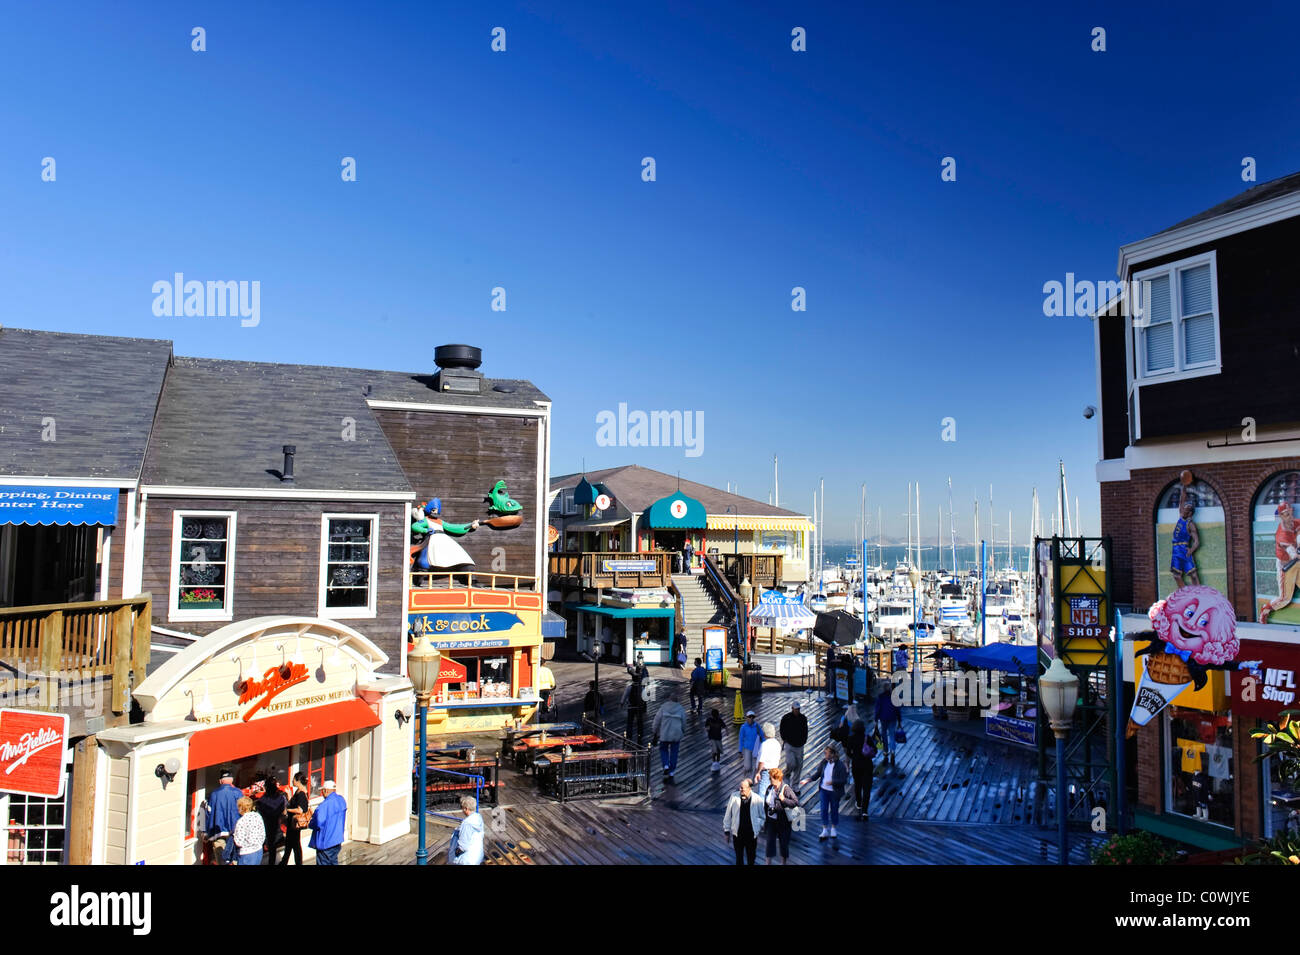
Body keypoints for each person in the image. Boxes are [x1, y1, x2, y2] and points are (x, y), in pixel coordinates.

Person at [1262, 502, 1300, 623]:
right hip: (1287, 567)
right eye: (1286, 514)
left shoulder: (1296, 523)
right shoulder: (1282, 534)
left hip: (1297, 564)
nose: (1289, 516)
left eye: (1290, 512)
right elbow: (1293, 554)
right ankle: (1265, 610)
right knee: (1285, 599)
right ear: (1281, 516)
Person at [803, 745, 848, 840]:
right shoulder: (824, 762)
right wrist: (809, 779)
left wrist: (833, 782)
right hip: (824, 790)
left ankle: (833, 828)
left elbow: (843, 780)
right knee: (823, 809)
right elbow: (818, 773)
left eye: (826, 753)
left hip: (834, 792)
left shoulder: (840, 765)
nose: (825, 755)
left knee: (834, 809)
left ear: (832, 754)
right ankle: (824, 829)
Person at [722, 777, 764, 865]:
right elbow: (728, 814)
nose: (740, 789)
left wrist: (757, 826)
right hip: (738, 833)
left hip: (751, 834)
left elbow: (762, 816)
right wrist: (726, 831)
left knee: (751, 858)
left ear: (749, 788)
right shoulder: (734, 797)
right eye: (740, 787)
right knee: (738, 858)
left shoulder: (757, 799)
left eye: (742, 788)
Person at [206, 768, 242, 865]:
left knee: (221, 855)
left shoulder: (214, 794)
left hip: (219, 829)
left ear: (220, 781)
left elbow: (208, 812)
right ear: (232, 780)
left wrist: (207, 831)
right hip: (234, 828)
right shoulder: (237, 792)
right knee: (235, 854)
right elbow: (243, 810)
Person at [1170, 479, 1201, 590]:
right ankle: (1184, 593)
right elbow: (1181, 500)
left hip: (1183, 548)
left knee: (1193, 574)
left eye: (1186, 509)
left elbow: (1197, 541)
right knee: (1176, 575)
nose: (1183, 510)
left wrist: (1191, 550)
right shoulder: (1180, 517)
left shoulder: (1190, 524)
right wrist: (1184, 486)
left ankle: (1199, 592)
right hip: (1175, 549)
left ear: (1190, 513)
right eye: (1184, 508)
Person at [763, 767, 798, 865]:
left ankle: (783, 863)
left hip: (783, 822)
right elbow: (766, 804)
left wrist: (784, 800)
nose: (770, 780)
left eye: (771, 778)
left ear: (778, 778)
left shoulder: (786, 789)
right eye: (770, 778)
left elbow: (795, 802)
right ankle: (767, 864)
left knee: (783, 844)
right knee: (769, 843)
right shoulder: (769, 788)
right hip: (771, 821)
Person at [652, 687, 687, 784]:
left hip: (664, 733)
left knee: (663, 749)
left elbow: (656, 721)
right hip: (676, 735)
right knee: (674, 752)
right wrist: (683, 731)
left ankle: (666, 765)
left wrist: (655, 731)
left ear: (669, 699)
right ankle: (672, 771)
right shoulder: (681, 709)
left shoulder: (663, 707)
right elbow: (684, 722)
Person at [308, 779, 347, 865]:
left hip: (325, 843)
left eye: (322, 791)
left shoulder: (324, 806)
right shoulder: (341, 800)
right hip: (337, 840)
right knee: (333, 862)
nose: (322, 793)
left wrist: (310, 823)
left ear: (325, 790)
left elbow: (318, 823)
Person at [847, 711, 876, 819]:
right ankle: (865, 811)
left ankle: (859, 803)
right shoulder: (867, 738)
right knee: (867, 787)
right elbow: (875, 750)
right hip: (867, 765)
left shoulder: (851, 738)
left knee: (858, 785)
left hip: (856, 765)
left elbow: (848, 752)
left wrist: (854, 757)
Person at [256, 771, 287, 865]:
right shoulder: (281, 798)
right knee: (273, 848)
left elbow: (259, 811)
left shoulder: (262, 801)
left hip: (265, 827)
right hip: (276, 826)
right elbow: (284, 811)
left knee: (267, 846)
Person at [280, 773, 310, 865]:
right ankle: (284, 862)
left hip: (295, 823)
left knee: (295, 845)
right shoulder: (298, 791)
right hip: (292, 823)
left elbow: (300, 810)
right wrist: (289, 795)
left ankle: (295, 863)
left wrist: (287, 810)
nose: (292, 781)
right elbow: (293, 803)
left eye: (293, 779)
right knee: (290, 845)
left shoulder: (301, 794)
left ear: (298, 781)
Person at [448, 795, 485, 865]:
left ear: (466, 808)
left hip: (466, 859)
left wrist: (457, 851)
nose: (462, 810)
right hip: (477, 855)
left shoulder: (467, 823)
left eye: (462, 808)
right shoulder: (478, 817)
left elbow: (463, 843)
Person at [779, 700, 808, 784]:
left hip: (800, 745)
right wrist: (784, 739)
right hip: (789, 744)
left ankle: (795, 784)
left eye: (798, 709)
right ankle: (786, 775)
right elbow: (782, 729)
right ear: (792, 709)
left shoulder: (803, 718)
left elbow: (805, 730)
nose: (797, 711)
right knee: (791, 763)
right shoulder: (786, 717)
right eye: (796, 709)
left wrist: (804, 740)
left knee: (799, 766)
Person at [875, 678, 902, 767]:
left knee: (884, 735)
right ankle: (893, 752)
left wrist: (876, 719)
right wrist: (899, 720)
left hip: (883, 718)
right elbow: (897, 708)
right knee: (892, 735)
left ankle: (886, 752)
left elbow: (877, 709)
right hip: (892, 717)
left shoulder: (880, 697)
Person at [233, 796, 266, 866]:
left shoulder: (241, 821)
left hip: (246, 853)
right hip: (259, 850)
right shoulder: (258, 816)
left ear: (241, 808)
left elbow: (238, 842)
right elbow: (263, 833)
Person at [755, 722, 782, 798]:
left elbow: (761, 761)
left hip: (766, 772)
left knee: (762, 794)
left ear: (765, 733)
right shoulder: (777, 743)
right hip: (775, 770)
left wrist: (758, 772)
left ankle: (762, 809)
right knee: (771, 794)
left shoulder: (765, 744)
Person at [622, 676, 647, 743]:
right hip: (638, 707)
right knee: (639, 722)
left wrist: (622, 703)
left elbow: (625, 696)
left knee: (630, 722)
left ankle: (629, 736)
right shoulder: (641, 687)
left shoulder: (629, 687)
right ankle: (640, 735)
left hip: (631, 707)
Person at [738, 710, 763, 778]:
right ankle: (745, 774)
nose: (751, 718)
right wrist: (740, 750)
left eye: (752, 717)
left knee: (754, 766)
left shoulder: (757, 726)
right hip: (747, 749)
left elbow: (762, 736)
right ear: (746, 718)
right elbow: (741, 739)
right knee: (747, 767)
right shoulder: (743, 727)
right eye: (749, 717)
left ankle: (750, 780)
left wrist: (764, 745)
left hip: (756, 748)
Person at [705, 707, 727, 771]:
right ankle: (714, 762)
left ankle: (717, 762)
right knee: (714, 750)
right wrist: (707, 729)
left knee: (718, 750)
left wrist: (727, 730)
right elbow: (706, 727)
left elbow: (724, 726)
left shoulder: (719, 720)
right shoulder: (709, 720)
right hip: (712, 738)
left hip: (718, 737)